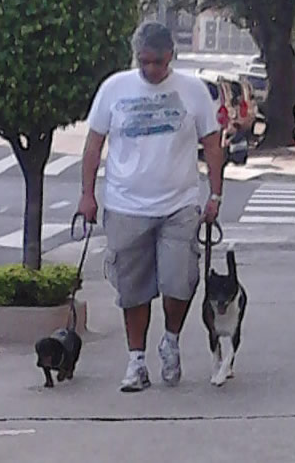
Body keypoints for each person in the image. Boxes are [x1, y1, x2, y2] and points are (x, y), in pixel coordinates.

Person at [76, 21, 224, 392]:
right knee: (133, 288)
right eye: (144, 62)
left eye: (158, 62)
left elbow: (212, 143)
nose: (151, 70)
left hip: (179, 204)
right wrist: (87, 194)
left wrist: (215, 195)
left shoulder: (192, 91)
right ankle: (136, 361)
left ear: (171, 56)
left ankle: (170, 341)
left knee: (180, 281)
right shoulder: (114, 89)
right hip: (126, 204)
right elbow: (94, 144)